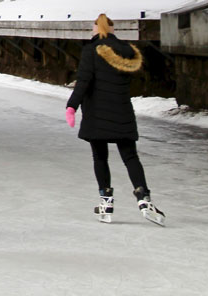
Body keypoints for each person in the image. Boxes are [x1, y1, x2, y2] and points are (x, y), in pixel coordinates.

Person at [66, 14, 165, 226]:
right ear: (113, 30)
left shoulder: (90, 51)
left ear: (96, 29)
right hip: (121, 110)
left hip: (97, 113)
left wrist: (72, 106)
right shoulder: (127, 52)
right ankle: (143, 198)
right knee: (130, 156)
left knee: (100, 157)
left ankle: (106, 201)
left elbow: (84, 81)